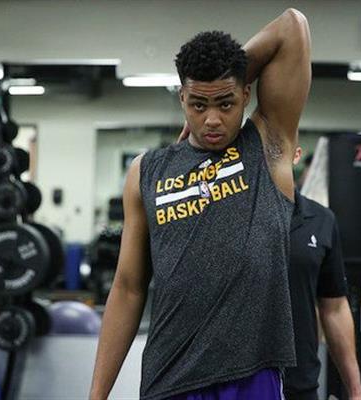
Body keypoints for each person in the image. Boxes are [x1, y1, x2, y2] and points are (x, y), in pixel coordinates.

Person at [90, 8, 311, 400]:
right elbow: (127, 288)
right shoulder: (147, 171)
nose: (211, 119)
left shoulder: (267, 147)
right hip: (169, 378)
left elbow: (292, 26)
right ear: (182, 97)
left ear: (246, 94)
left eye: (225, 104)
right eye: (197, 105)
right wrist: (97, 395)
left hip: (250, 376)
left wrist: (234, 71)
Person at [284, 147, 361, 400]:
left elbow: (335, 308)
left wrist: (356, 392)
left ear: (296, 155)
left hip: (300, 385)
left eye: (277, 150)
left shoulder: (321, 220)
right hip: (238, 387)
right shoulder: (232, 218)